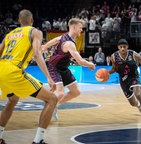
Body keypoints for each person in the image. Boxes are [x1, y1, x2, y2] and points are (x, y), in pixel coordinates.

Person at [0, 9, 57, 144]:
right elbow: (37, 54)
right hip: (14, 71)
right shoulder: (34, 32)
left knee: (12, 100)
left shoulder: (9, 34)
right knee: (52, 99)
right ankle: (38, 141)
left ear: (19, 21)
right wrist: (49, 77)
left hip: (2, 69)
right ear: (31, 21)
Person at [41, 18, 95, 120]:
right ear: (73, 27)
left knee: (76, 92)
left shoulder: (65, 36)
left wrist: (45, 46)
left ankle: (54, 105)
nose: (81, 30)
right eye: (80, 28)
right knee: (60, 92)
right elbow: (80, 61)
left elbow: (56, 39)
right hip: (54, 67)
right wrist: (90, 64)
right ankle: (48, 109)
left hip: (63, 68)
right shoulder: (70, 44)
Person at [108, 38, 141, 126]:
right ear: (118, 47)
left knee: (137, 94)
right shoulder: (114, 56)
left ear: (127, 47)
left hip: (134, 76)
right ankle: (138, 105)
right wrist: (107, 73)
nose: (123, 49)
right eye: (121, 47)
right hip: (124, 79)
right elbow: (114, 68)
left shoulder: (133, 54)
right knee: (132, 103)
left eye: (124, 47)